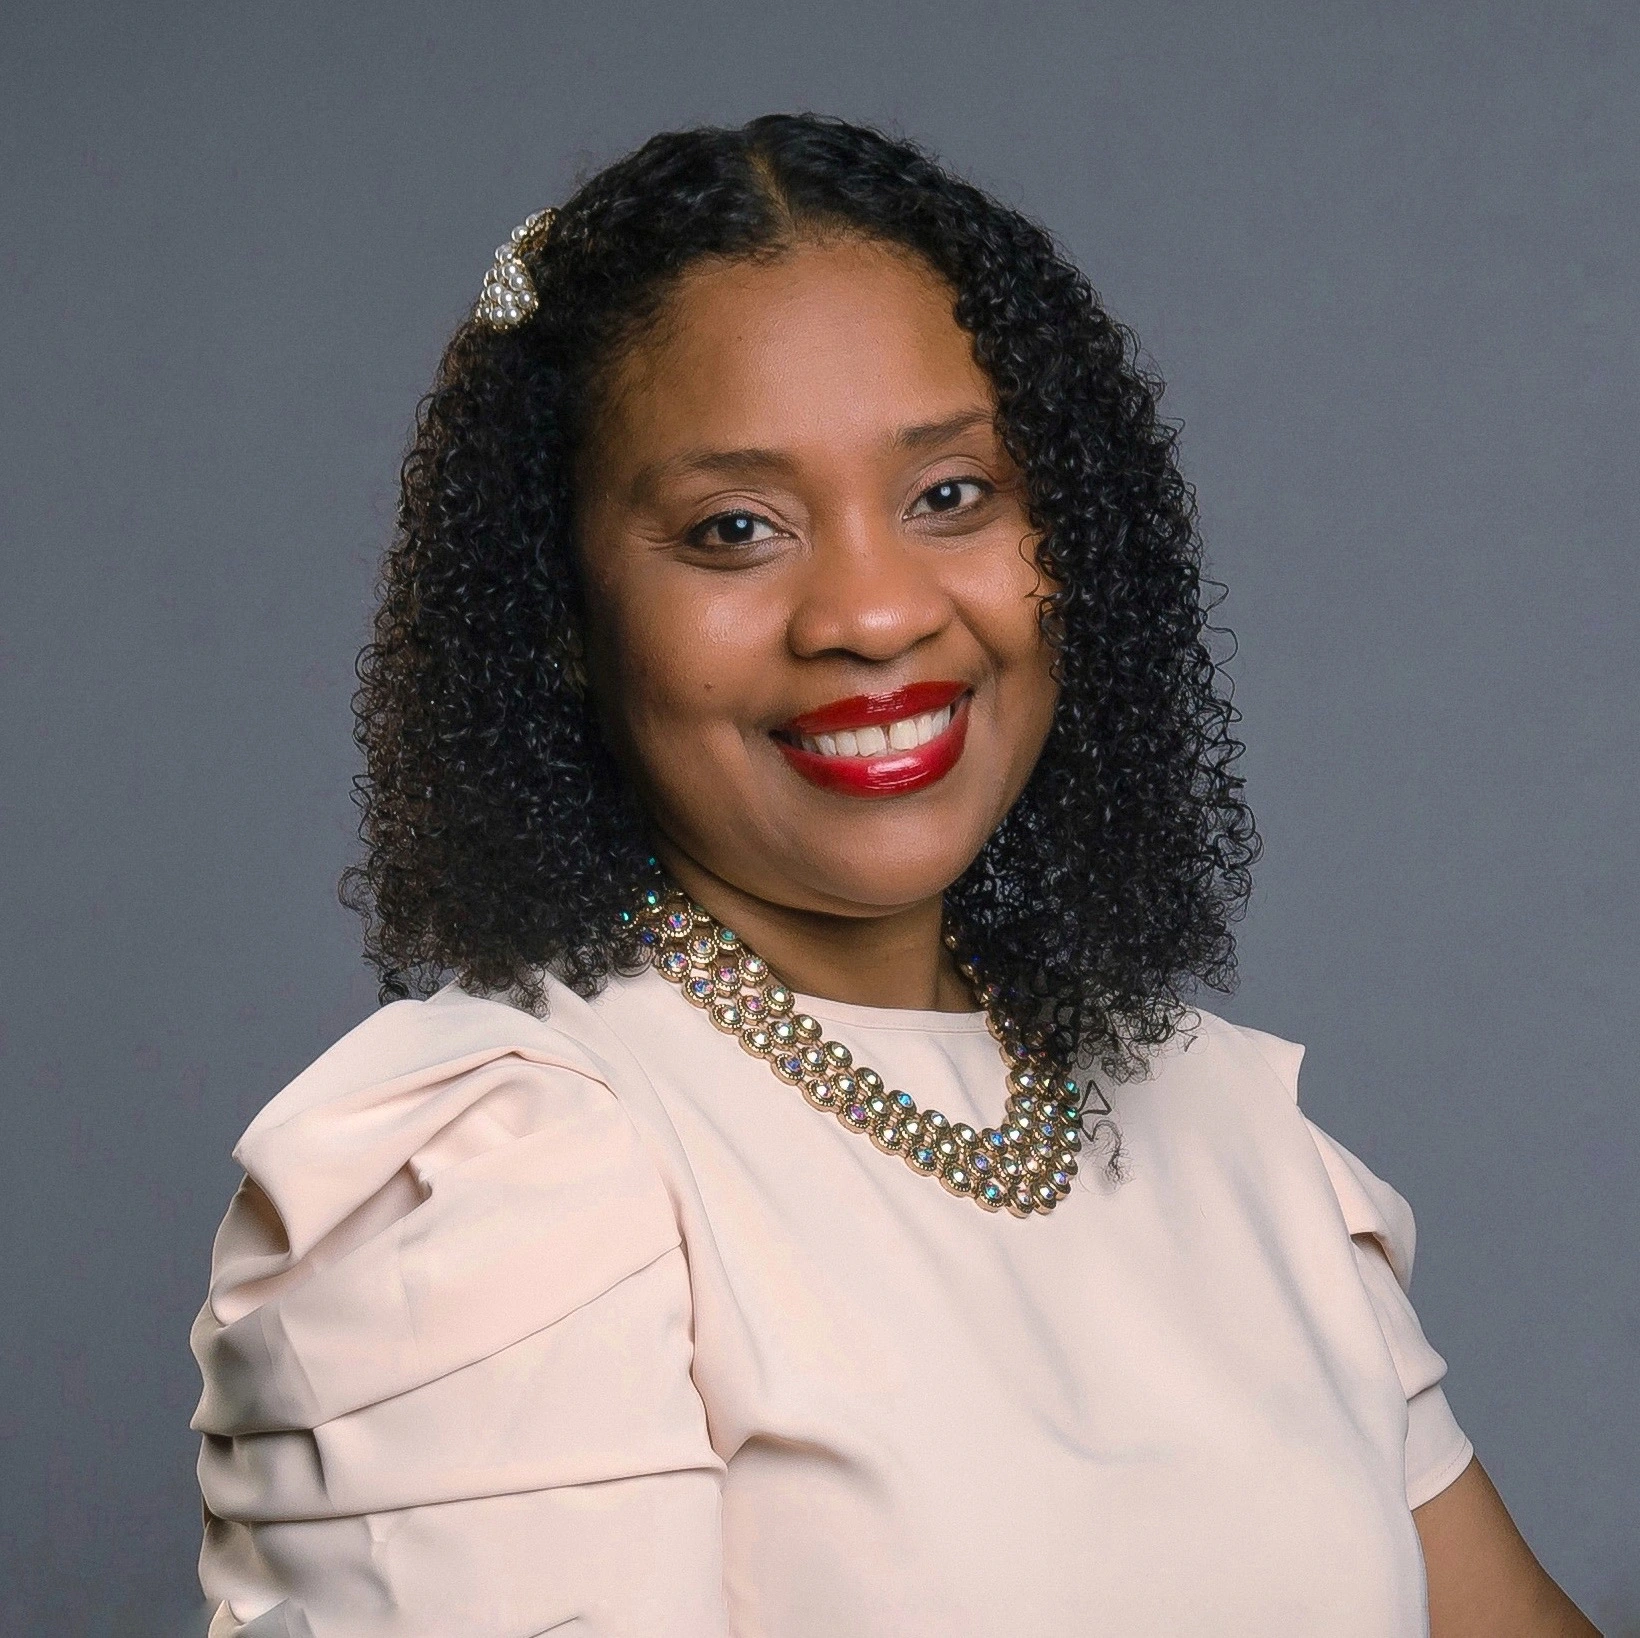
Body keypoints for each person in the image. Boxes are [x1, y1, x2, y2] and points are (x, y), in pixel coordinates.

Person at [189, 114, 1597, 1637]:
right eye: (737, 529)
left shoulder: (1224, 1130)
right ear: (561, 616)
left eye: (950, 495)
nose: (870, 611)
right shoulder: (494, 1180)